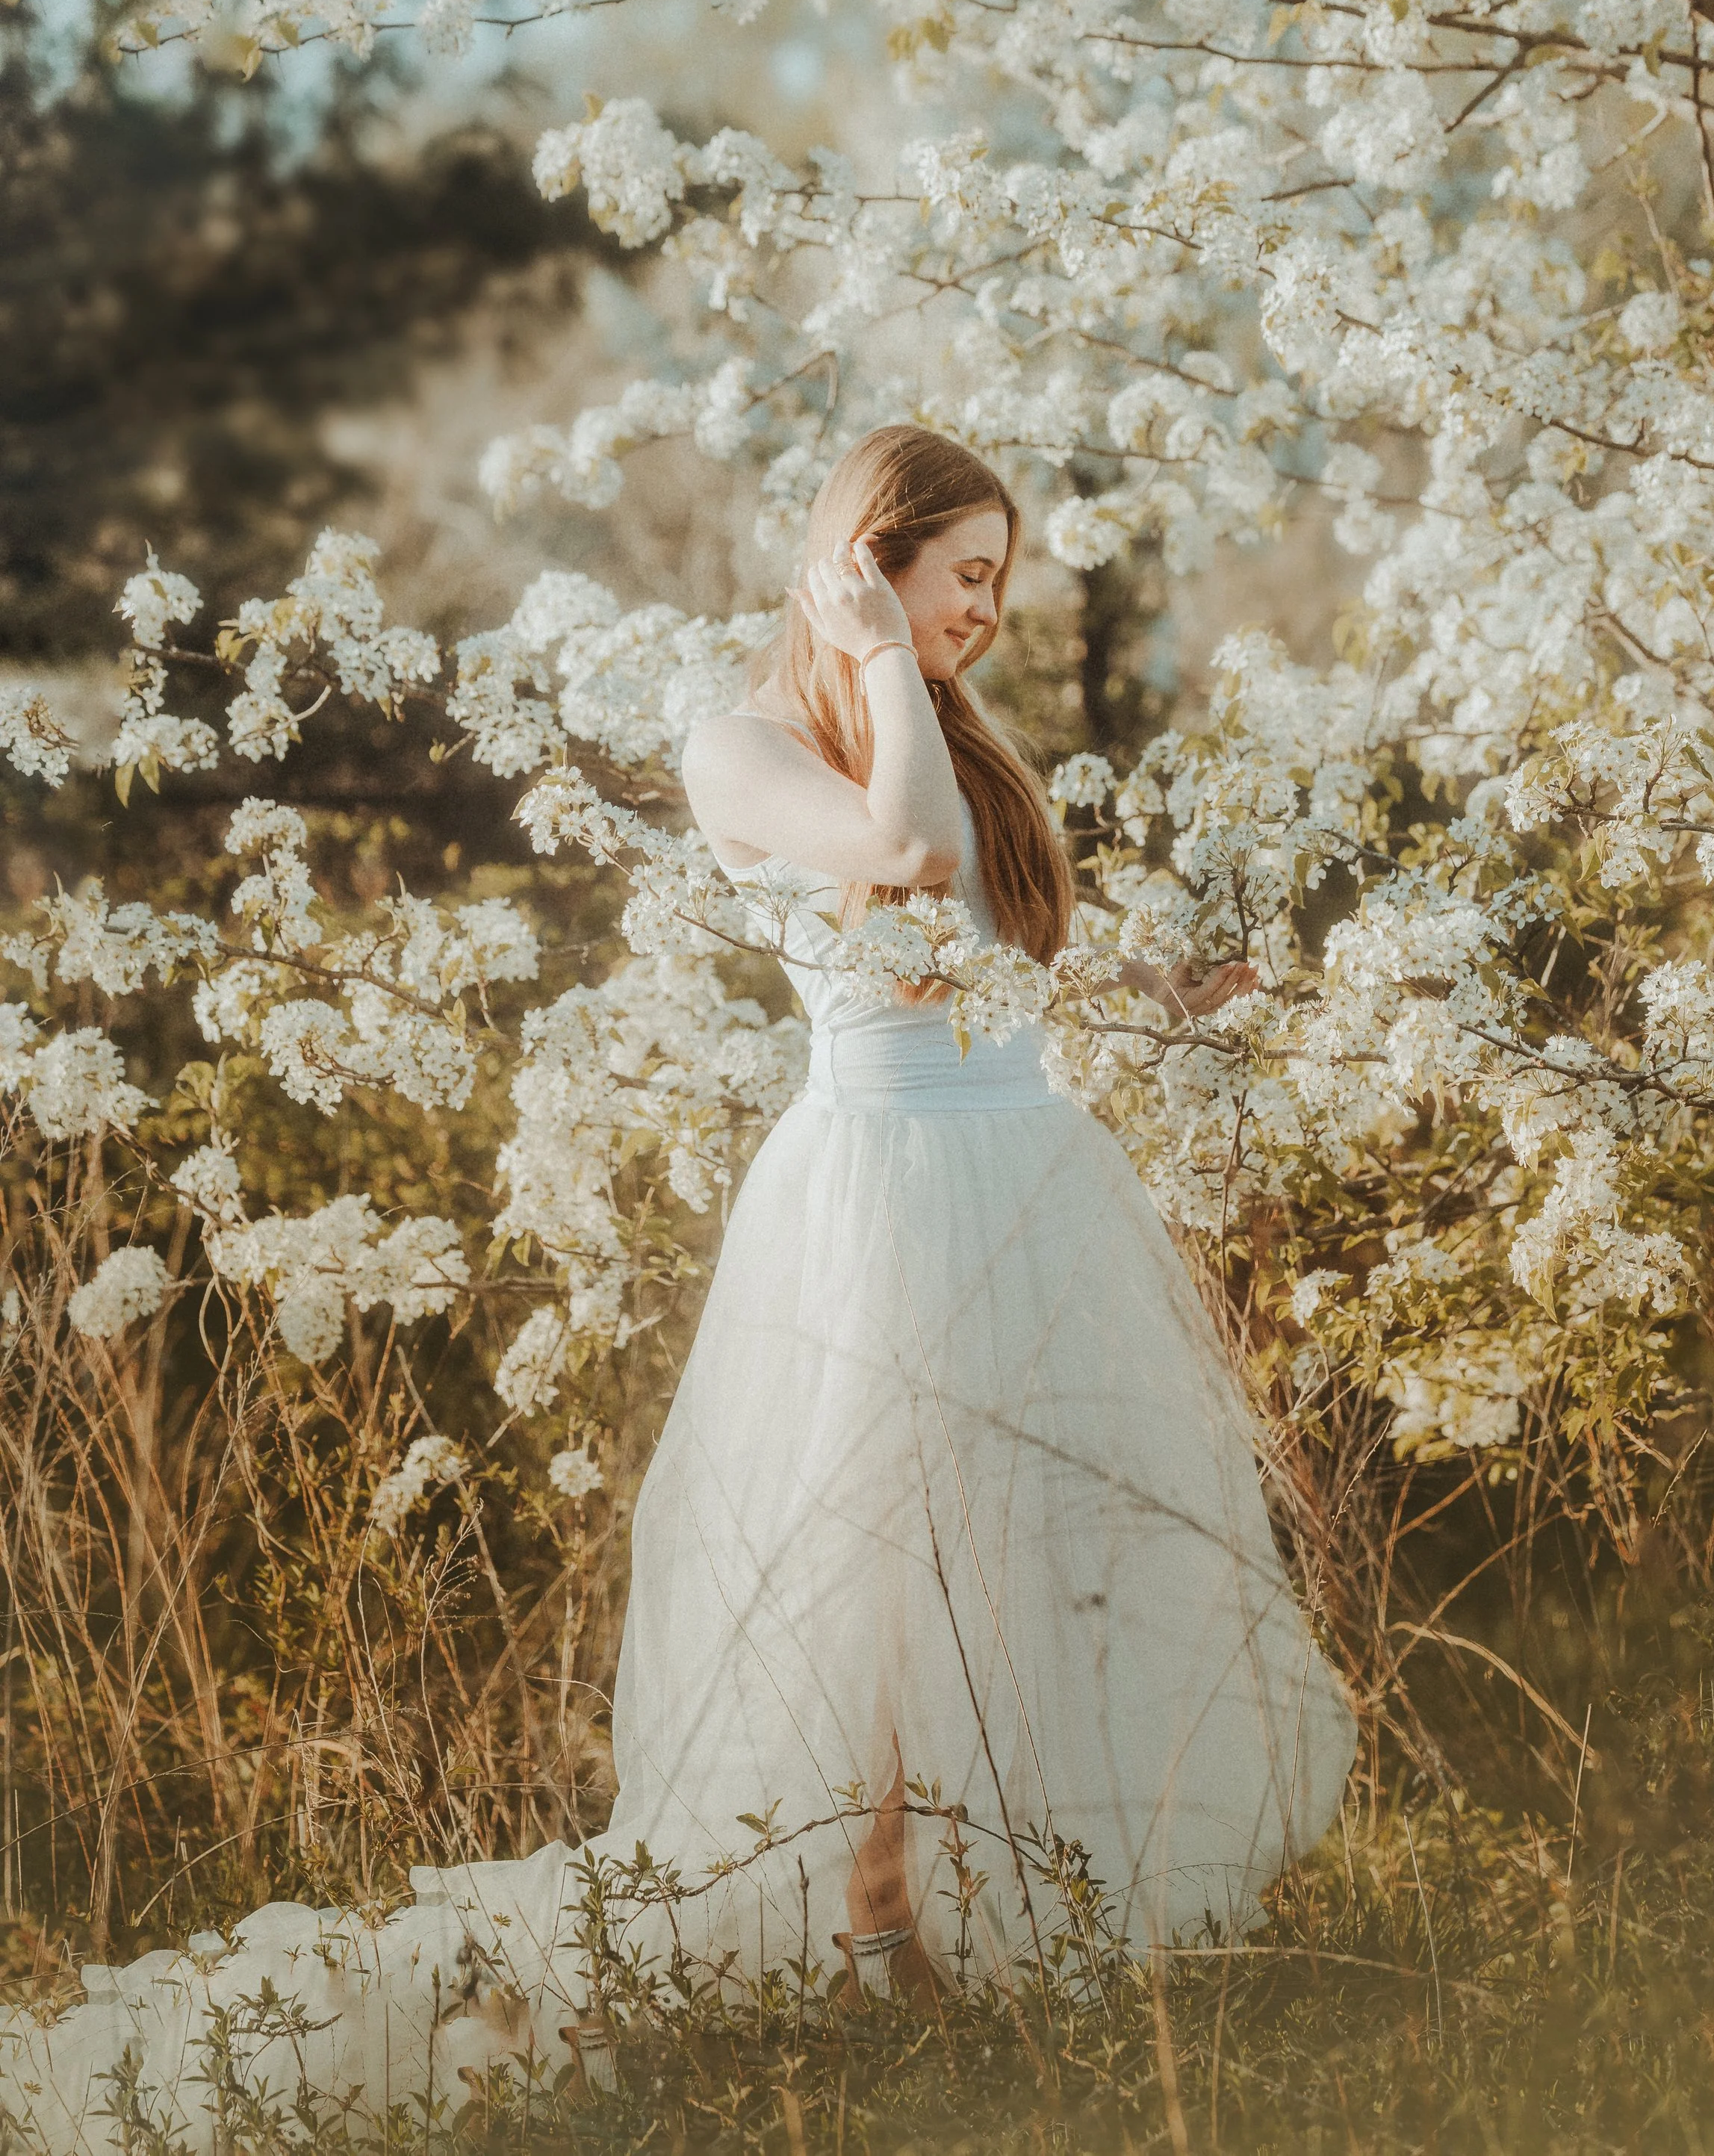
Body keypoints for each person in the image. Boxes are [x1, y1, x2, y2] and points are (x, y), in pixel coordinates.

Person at [0, 428, 1354, 2152]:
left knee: (1039, 1548)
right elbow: (908, 865)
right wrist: (872, 649)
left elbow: (998, 940)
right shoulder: (746, 745)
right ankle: (873, 1925)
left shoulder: (954, 732)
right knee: (880, 1557)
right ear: (868, 559)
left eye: (996, 586)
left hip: (1028, 1169)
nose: (985, 617)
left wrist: (1165, 979)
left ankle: (977, 1914)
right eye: (961, 578)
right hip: (883, 1194)